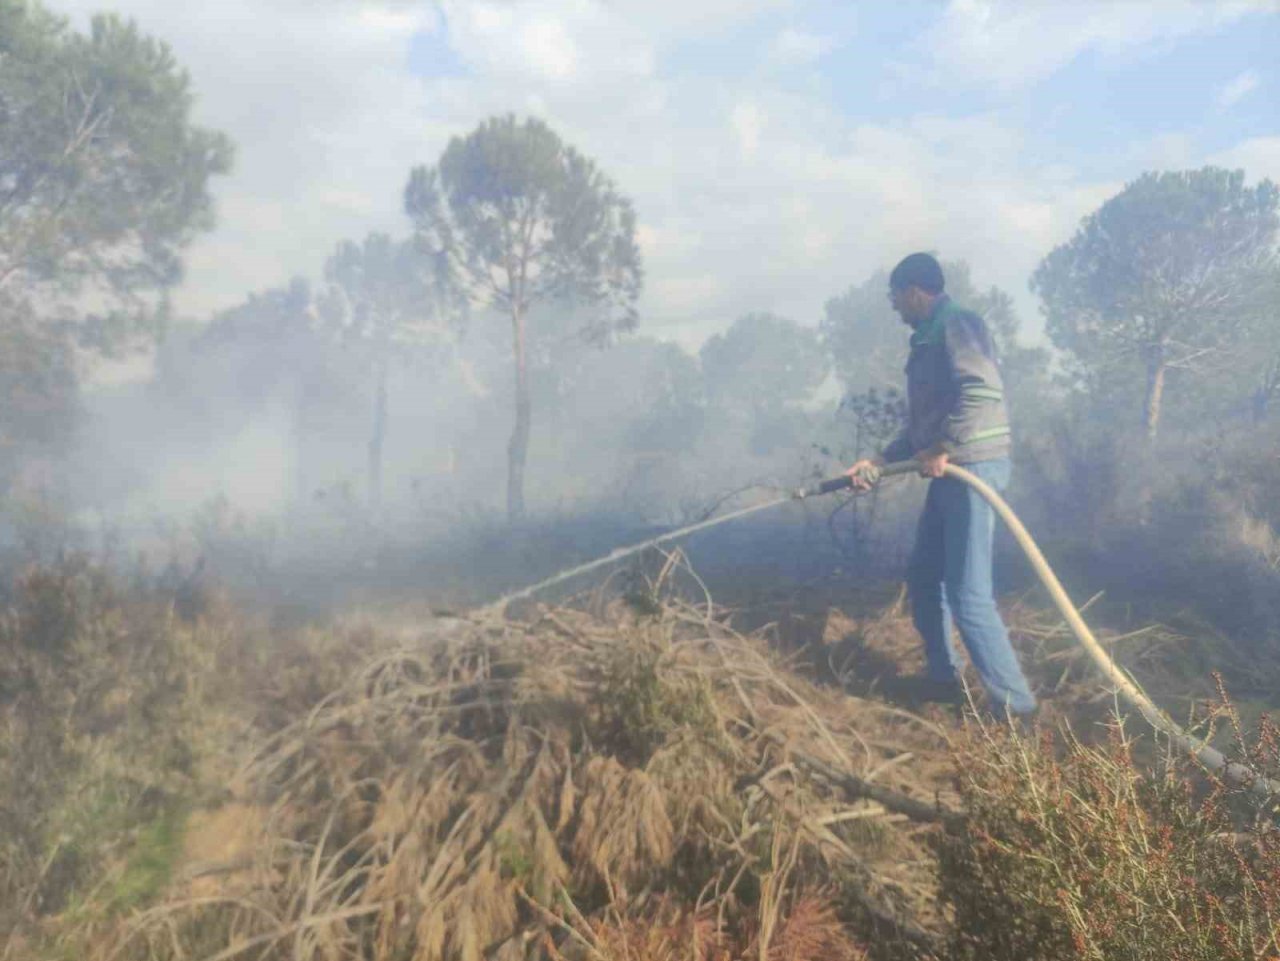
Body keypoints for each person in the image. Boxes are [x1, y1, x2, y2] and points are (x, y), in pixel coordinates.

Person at [844, 253, 1036, 718]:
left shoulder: (958, 324)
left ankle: (1018, 710)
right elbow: (924, 427)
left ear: (914, 292)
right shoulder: (929, 338)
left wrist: (942, 446)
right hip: (951, 469)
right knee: (926, 578)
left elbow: (982, 391)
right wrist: (879, 461)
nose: (893, 307)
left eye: (895, 297)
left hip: (973, 470)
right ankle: (944, 679)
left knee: (969, 595)